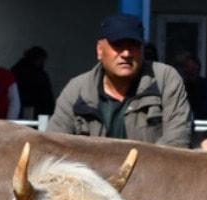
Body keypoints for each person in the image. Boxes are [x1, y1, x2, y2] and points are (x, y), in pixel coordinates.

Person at [47, 13, 191, 148]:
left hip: (152, 173)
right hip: (90, 173)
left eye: (133, 45)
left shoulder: (164, 79)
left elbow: (177, 142)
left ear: (142, 49)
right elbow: (53, 146)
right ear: (100, 50)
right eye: (118, 45)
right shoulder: (76, 90)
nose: (126, 53)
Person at [11, 45, 54, 120]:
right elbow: (46, 96)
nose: (43, 62)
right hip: (34, 110)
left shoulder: (16, 70)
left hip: (22, 110)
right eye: (42, 59)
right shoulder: (38, 74)